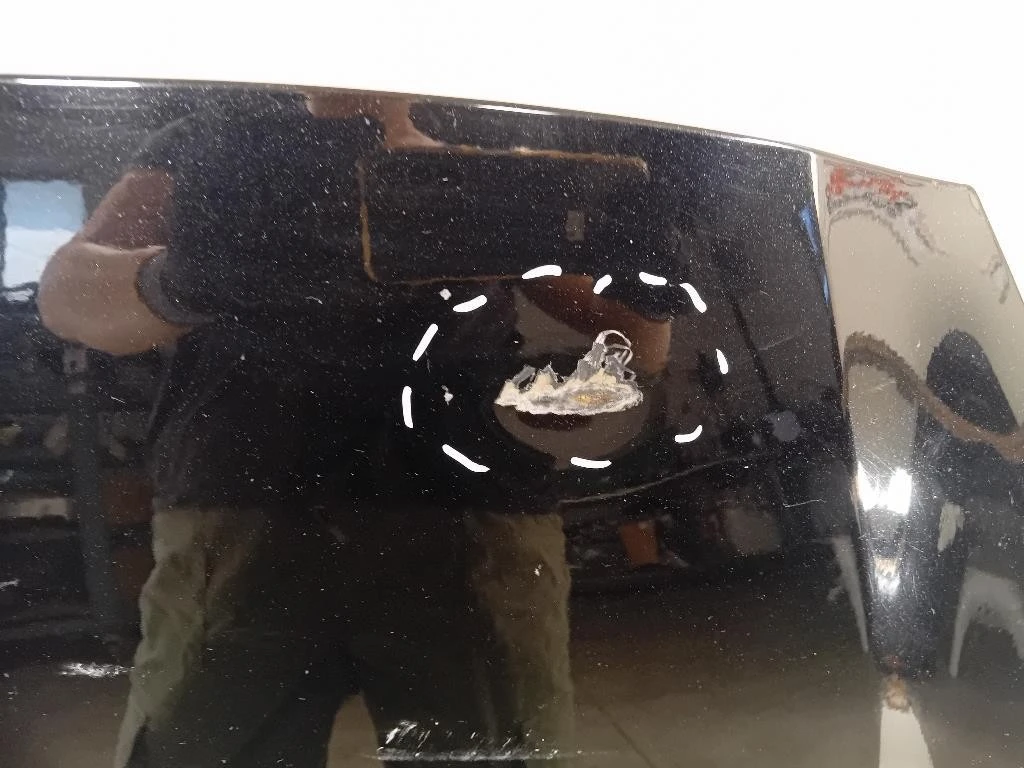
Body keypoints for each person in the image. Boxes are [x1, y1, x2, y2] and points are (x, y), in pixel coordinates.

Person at [39, 92, 577, 768]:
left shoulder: (486, 140)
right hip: (259, 501)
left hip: (428, 510)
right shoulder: (215, 139)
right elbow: (65, 297)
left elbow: (641, 337)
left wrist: (492, 218)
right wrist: (182, 279)